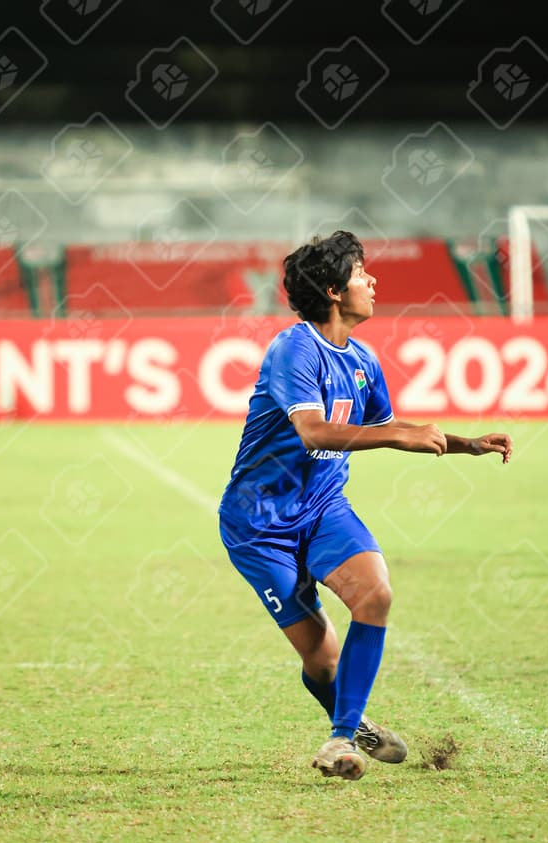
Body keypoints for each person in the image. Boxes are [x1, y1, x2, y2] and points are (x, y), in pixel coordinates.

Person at [219, 230, 512, 781]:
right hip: (258, 525)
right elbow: (311, 432)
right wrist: (399, 438)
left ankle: (340, 738)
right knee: (322, 659)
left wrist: (467, 444)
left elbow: (392, 428)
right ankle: (351, 721)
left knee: (375, 594)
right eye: (360, 273)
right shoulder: (294, 349)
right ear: (333, 290)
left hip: (323, 505)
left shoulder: (362, 360)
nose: (372, 281)